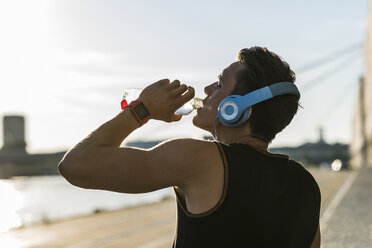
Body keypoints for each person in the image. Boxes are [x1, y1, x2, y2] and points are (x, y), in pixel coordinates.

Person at [58, 46, 321, 248]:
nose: (206, 88)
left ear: (235, 109)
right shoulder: (305, 183)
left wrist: (142, 109)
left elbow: (76, 165)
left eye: (219, 83)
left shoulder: (200, 159)